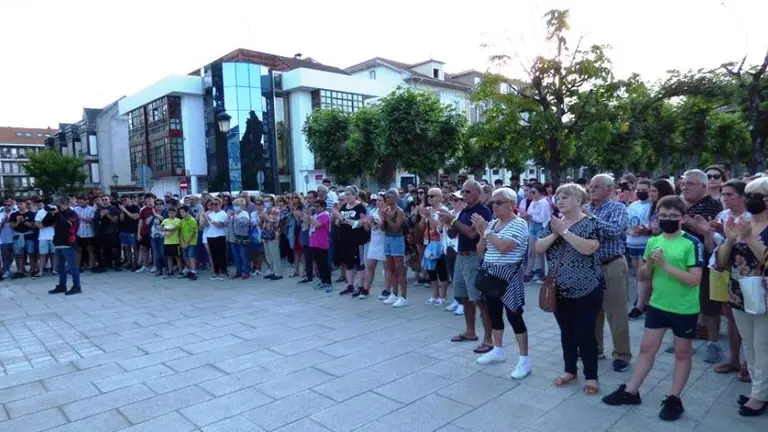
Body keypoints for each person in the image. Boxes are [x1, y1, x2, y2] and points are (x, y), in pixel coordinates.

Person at [603, 196, 704, 422]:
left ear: (682, 217)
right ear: (656, 217)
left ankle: (674, 398)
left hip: (684, 308)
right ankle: (631, 391)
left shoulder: (691, 243)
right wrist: (648, 267)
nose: (667, 219)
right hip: (658, 304)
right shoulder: (653, 241)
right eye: (663, 216)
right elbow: (645, 276)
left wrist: (665, 265)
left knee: (681, 353)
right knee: (647, 348)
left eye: (673, 216)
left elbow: (694, 279)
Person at [536, 183, 603, 395]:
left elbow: (588, 248)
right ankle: (570, 370)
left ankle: (591, 376)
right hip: (559, 288)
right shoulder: (553, 223)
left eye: (565, 197)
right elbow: (538, 247)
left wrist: (564, 231)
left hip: (587, 288)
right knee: (566, 332)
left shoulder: (590, 222)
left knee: (585, 333)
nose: (560, 200)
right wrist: (556, 233)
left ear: (579, 201)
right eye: (558, 197)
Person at [716, 177, 768, 416]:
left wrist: (748, 238)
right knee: (750, 344)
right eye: (748, 195)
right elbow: (722, 261)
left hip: (764, 295)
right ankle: (759, 391)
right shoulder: (741, 221)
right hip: (739, 292)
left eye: (758, 195)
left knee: (763, 345)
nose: (751, 200)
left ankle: (758, 396)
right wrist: (729, 238)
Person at [473, 187, 531, 379]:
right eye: (493, 202)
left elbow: (504, 247)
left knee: (515, 317)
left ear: (512, 205)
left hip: (509, 277)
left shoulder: (519, 224)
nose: (494, 206)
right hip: (490, 274)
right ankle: (497, 350)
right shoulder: (493, 223)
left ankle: (524, 360)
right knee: (494, 313)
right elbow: (481, 249)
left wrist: (486, 230)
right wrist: (483, 233)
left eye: (499, 202)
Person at [439, 179, 493, 353]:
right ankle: (470, 332)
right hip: (461, 257)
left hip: (474, 257)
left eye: (467, 192)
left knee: (479, 299)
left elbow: (471, 233)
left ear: (478, 193)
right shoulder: (464, 211)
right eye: (462, 192)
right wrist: (450, 222)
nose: (464, 195)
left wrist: (453, 221)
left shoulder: (482, 211)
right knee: (464, 297)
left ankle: (489, 339)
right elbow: (453, 232)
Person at [585, 174, 632, 372]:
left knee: (616, 312)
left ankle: (622, 354)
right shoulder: (586, 208)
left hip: (611, 264)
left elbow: (614, 231)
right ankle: (595, 349)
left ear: (609, 189)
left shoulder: (617, 208)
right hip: (589, 266)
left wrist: (590, 220)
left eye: (596, 187)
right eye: (590, 186)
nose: (591, 190)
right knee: (592, 311)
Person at [680, 169, 723, 363]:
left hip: (706, 262)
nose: (684, 187)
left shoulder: (713, 206)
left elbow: (705, 229)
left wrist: (685, 219)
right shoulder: (683, 204)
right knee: (688, 301)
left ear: (704, 187)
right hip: (684, 262)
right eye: (683, 183)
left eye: (690, 184)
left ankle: (713, 344)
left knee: (709, 305)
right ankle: (686, 337)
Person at [709, 180, 750, 381]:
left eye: (730, 195)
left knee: (749, 316)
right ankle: (733, 358)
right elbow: (714, 244)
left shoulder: (751, 217)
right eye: (723, 194)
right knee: (730, 315)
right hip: (720, 267)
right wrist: (712, 231)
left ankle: (748, 363)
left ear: (743, 197)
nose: (724, 198)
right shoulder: (722, 216)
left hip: (745, 272)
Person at [626, 179, 653, 319]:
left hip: (646, 243)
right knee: (638, 274)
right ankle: (642, 298)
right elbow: (627, 220)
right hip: (632, 242)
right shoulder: (632, 205)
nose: (641, 192)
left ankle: (643, 303)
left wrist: (646, 230)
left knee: (646, 274)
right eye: (639, 189)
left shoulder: (652, 205)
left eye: (644, 189)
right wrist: (628, 230)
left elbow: (653, 224)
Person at [335, 186, 367, 296]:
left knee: (359, 264)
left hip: (357, 239)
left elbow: (359, 223)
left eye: (349, 194)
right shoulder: (344, 207)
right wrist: (338, 219)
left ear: (354, 195)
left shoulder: (360, 207)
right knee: (349, 263)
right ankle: (350, 285)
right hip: (345, 239)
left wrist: (343, 219)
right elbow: (338, 223)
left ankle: (361, 286)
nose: (346, 197)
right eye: (345, 194)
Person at [44, 197, 81, 295]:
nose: (60, 207)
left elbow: (68, 225)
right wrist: (50, 213)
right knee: (59, 267)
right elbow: (45, 223)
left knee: (72, 267)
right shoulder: (57, 213)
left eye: (62, 204)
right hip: (58, 243)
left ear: (67, 204)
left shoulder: (72, 214)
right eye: (59, 205)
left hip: (68, 243)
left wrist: (58, 213)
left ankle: (77, 287)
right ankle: (62, 286)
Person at [421, 188, 449, 305]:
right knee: (431, 270)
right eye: (428, 196)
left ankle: (443, 295)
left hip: (440, 243)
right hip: (428, 242)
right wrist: (422, 217)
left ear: (439, 197)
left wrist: (429, 217)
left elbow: (439, 228)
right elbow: (420, 226)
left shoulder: (443, 210)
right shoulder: (428, 210)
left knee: (441, 269)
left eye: (432, 196)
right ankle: (435, 294)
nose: (429, 198)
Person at [381, 188, 408, 307]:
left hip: (397, 240)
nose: (387, 199)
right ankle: (394, 293)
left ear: (395, 198)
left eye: (389, 197)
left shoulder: (399, 211)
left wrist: (387, 218)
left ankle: (403, 296)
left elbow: (397, 227)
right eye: (386, 197)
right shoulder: (386, 210)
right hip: (387, 238)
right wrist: (383, 218)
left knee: (399, 269)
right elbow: (383, 228)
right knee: (389, 268)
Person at [310, 198, 332, 292]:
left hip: (322, 242)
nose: (315, 208)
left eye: (317, 206)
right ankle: (323, 280)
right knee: (319, 263)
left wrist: (311, 218)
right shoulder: (316, 215)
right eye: (314, 206)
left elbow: (318, 225)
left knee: (324, 263)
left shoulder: (325, 215)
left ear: (323, 207)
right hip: (314, 242)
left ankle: (327, 281)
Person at [206, 198, 229, 280]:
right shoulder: (210, 213)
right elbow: (206, 225)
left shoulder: (223, 213)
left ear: (220, 204)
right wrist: (205, 218)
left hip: (220, 235)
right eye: (212, 204)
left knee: (221, 255)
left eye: (216, 204)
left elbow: (219, 225)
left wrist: (210, 219)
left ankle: (223, 271)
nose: (214, 206)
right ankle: (216, 272)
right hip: (210, 236)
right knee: (213, 255)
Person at [261, 195, 282, 280]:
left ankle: (278, 273)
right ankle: (271, 271)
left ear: (272, 201)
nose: (266, 203)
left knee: (275, 254)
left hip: (273, 235)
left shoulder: (276, 210)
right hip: (266, 234)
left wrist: (267, 218)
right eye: (265, 201)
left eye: (267, 201)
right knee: (268, 254)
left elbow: (276, 222)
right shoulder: (266, 210)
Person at [118, 195, 140, 271]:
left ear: (130, 200)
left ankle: (137, 263)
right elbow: (121, 219)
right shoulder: (123, 208)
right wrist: (122, 211)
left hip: (132, 230)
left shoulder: (135, 207)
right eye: (122, 200)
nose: (124, 201)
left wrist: (124, 210)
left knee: (134, 248)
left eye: (125, 199)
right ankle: (129, 262)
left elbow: (135, 217)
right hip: (124, 230)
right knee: (127, 248)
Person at [35, 200, 55, 277]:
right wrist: (46, 225)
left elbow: (56, 223)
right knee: (42, 254)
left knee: (54, 254)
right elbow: (37, 224)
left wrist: (49, 224)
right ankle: (41, 271)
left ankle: (54, 269)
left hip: (53, 236)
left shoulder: (55, 211)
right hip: (43, 237)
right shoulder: (40, 212)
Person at [178, 206, 199, 280]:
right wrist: (182, 242)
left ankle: (194, 272)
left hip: (192, 242)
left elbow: (192, 233)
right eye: (180, 212)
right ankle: (190, 270)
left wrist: (187, 242)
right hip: (184, 242)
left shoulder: (192, 220)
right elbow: (181, 232)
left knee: (191, 256)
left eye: (182, 212)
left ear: (187, 212)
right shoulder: (182, 221)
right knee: (186, 257)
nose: (181, 214)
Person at [161, 207, 182, 277]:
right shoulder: (165, 220)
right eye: (169, 213)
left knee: (177, 257)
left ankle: (180, 271)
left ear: (176, 213)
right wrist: (166, 229)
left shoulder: (178, 220)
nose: (171, 214)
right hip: (166, 242)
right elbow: (161, 228)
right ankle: (170, 271)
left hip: (175, 242)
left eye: (173, 212)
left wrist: (166, 229)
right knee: (169, 257)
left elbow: (174, 228)